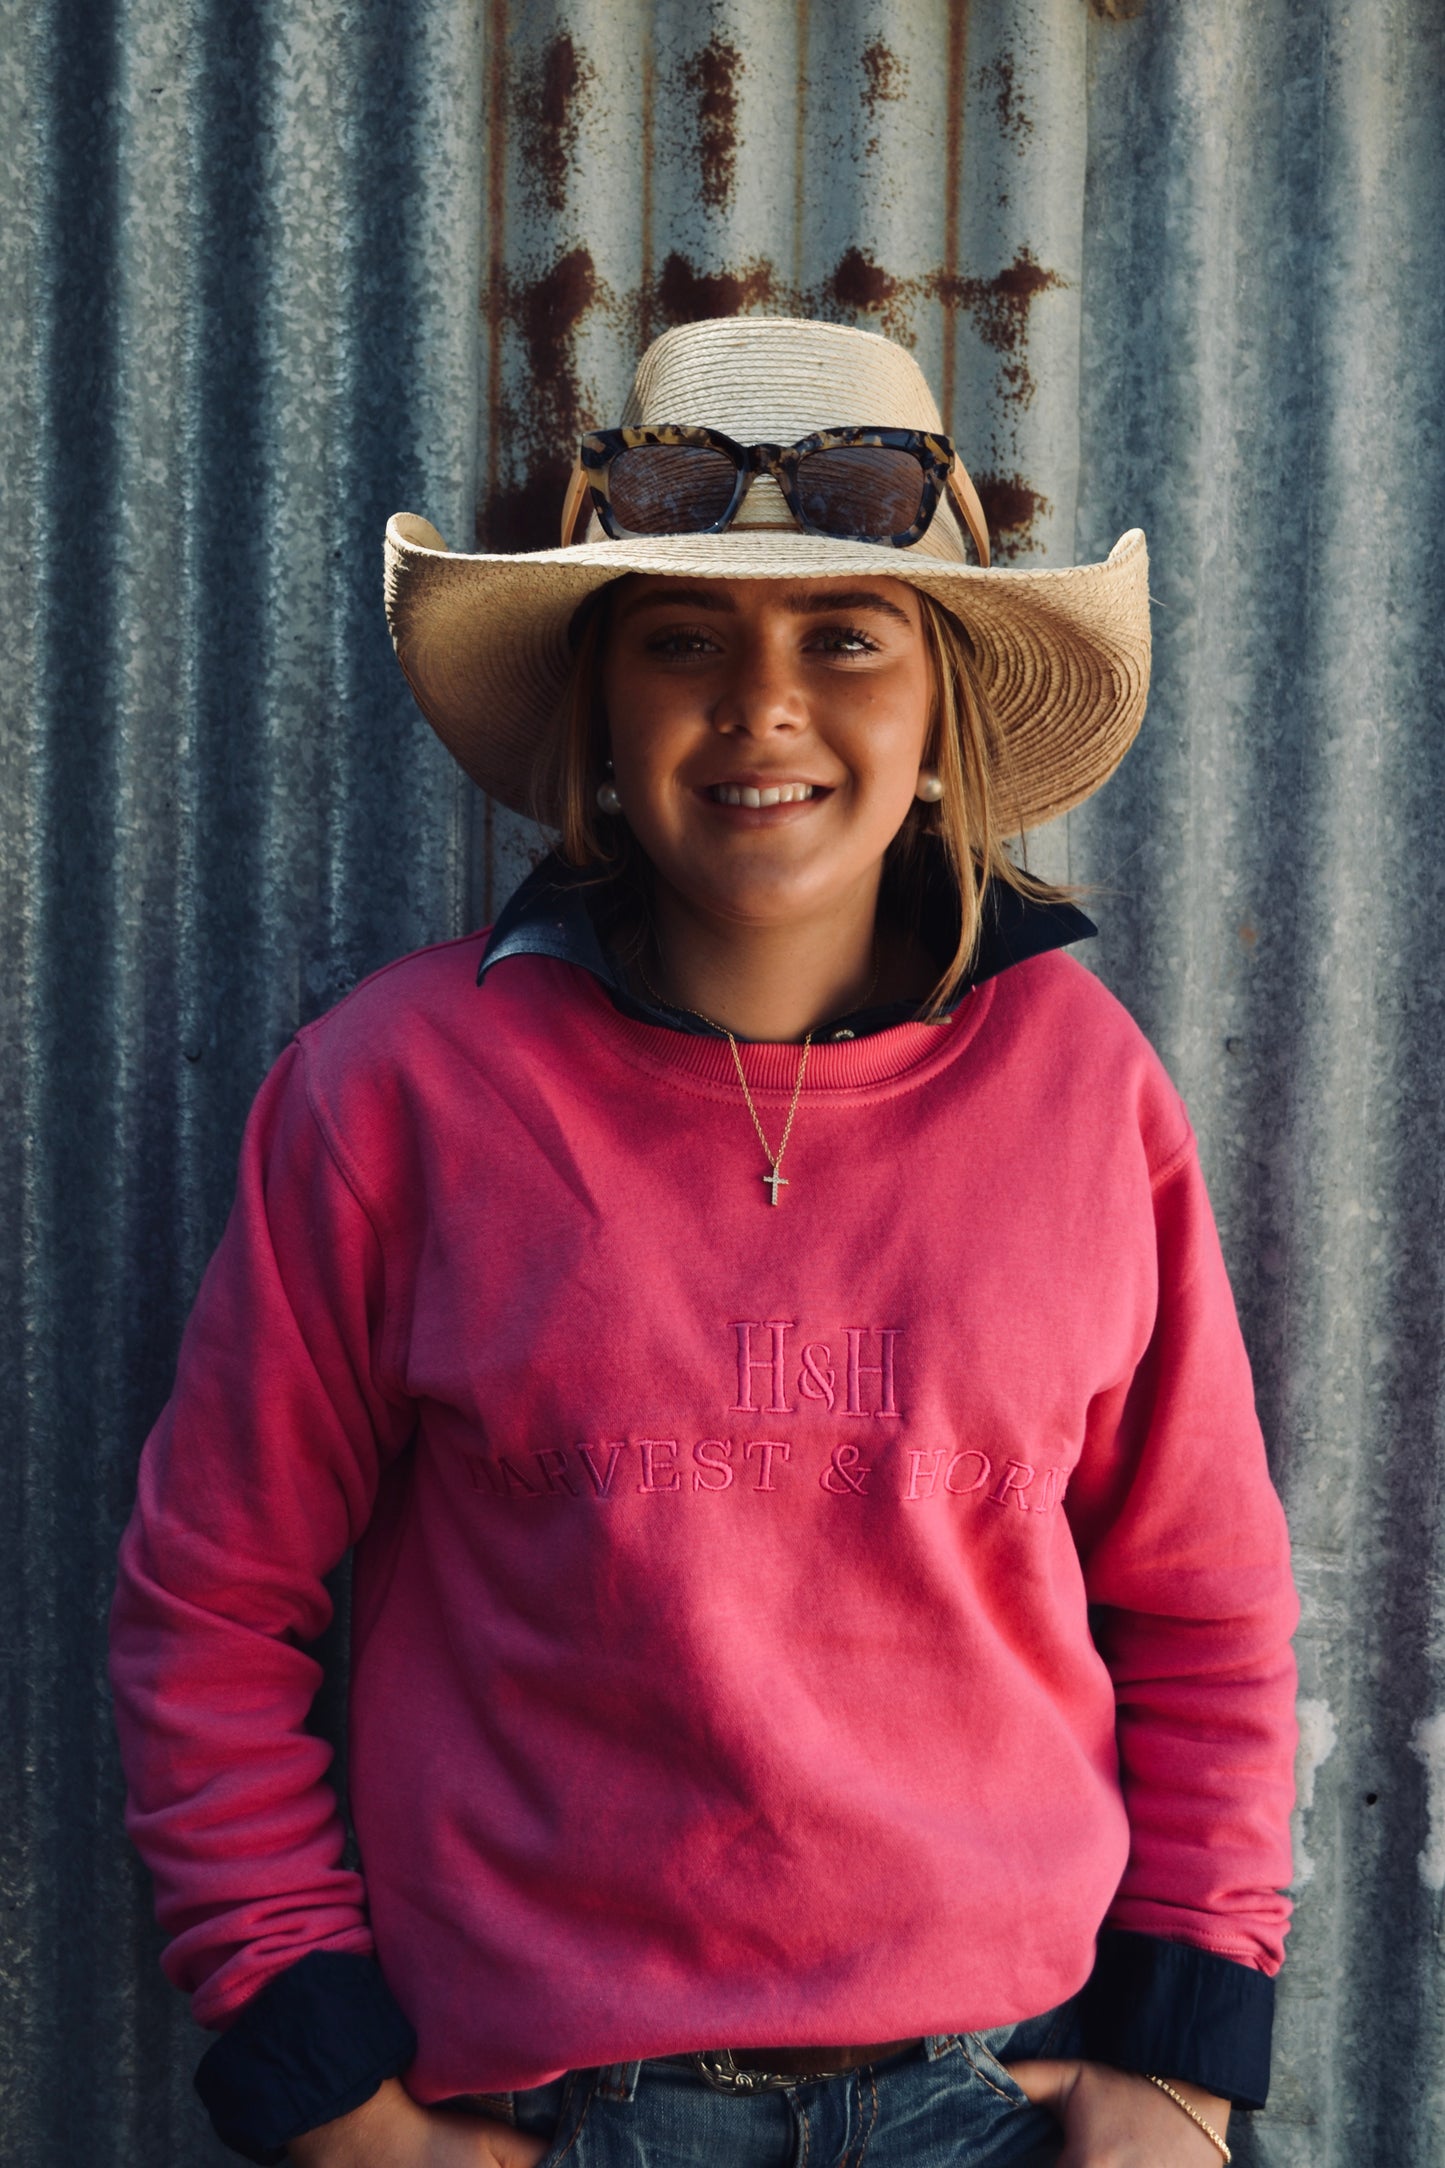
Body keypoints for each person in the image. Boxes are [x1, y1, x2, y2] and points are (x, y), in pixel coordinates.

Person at [109, 315, 1298, 2168]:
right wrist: (325, 2091)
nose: (761, 704)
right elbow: (209, 1612)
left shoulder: (1086, 1091)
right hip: (543, 2113)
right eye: (682, 640)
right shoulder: (397, 1093)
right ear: (596, 708)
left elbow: (1206, 1608)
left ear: (939, 712)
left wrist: (1191, 2068)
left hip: (1011, 2095)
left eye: (843, 635)